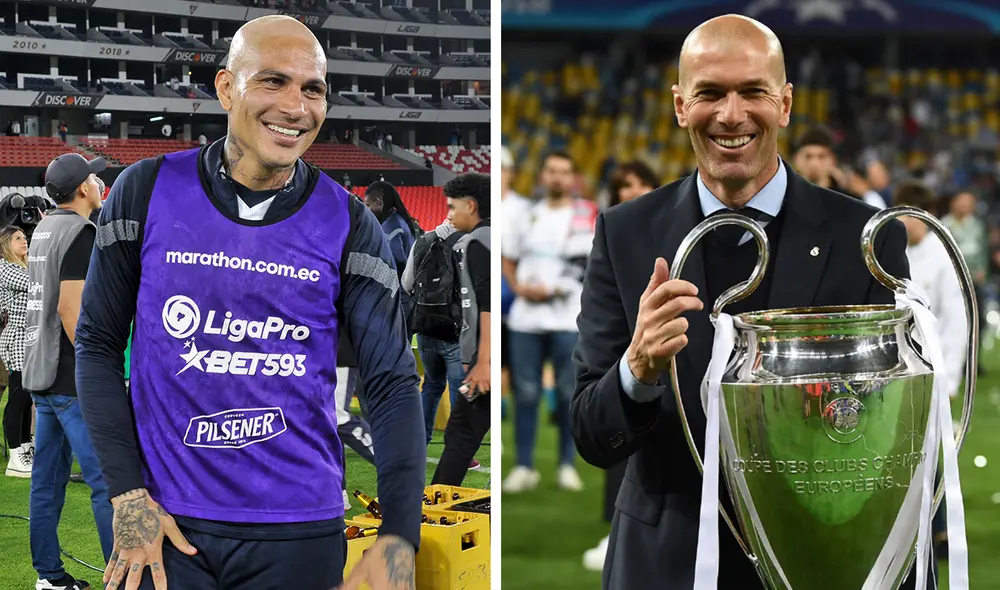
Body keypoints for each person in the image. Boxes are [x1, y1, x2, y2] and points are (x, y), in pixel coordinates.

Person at [74, 15, 424, 590]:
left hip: (299, 528)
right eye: (272, 81)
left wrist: (398, 538)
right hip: (166, 525)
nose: (296, 106)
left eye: (313, 90)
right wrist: (127, 492)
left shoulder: (350, 222)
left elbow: (388, 381)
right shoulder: (146, 189)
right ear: (225, 87)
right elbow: (96, 344)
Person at [569, 15, 915, 589]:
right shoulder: (625, 233)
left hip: (818, 557)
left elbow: (897, 433)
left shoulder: (867, 237)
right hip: (664, 561)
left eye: (752, 91)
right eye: (710, 93)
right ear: (681, 106)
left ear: (784, 103)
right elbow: (589, 434)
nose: (731, 115)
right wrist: (637, 370)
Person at [25, 152, 113, 590]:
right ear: (83, 187)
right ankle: (126, 579)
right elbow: (70, 309)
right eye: (95, 177)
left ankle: (49, 578)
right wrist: (101, 373)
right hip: (71, 378)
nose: (99, 183)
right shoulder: (80, 231)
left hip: (41, 372)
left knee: (46, 484)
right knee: (105, 483)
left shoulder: (42, 228)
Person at [502, 151, 595, 494]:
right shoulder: (527, 216)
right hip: (526, 319)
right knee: (525, 393)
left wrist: (553, 289)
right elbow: (508, 257)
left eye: (564, 172)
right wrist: (519, 287)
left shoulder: (584, 216)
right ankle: (525, 466)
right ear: (543, 176)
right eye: (552, 171)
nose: (557, 177)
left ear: (572, 179)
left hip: (567, 319)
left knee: (569, 393)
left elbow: (583, 264)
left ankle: (566, 465)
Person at [431, 172, 491, 486]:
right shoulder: (493, 237)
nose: (450, 215)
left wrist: (483, 362)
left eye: (453, 207)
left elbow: (487, 303)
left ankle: (435, 508)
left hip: (487, 359)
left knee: (460, 435)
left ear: (472, 205)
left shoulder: (480, 241)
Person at [0, 225, 32, 478]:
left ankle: (24, 446)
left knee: (27, 395)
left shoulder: (24, 265)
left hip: (30, 336)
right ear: (5, 245)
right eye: (18, 239)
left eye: (24, 237)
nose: (24, 241)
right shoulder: (6, 269)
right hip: (18, 336)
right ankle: (14, 455)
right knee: (19, 395)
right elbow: (36, 284)